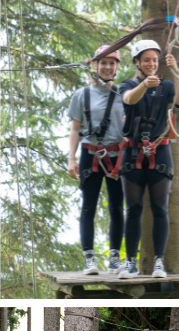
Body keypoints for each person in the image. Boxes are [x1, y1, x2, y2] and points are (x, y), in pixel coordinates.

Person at [117, 39, 179, 278]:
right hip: (132, 152)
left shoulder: (166, 85)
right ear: (137, 62)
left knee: (160, 208)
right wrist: (145, 85)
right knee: (133, 208)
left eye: (154, 60)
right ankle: (130, 263)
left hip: (160, 151)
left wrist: (176, 71)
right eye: (146, 60)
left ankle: (159, 262)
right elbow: (128, 100)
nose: (151, 64)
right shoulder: (128, 84)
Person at [67, 46, 127, 275]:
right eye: (103, 63)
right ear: (95, 65)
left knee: (117, 208)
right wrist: (71, 158)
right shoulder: (82, 94)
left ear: (117, 67)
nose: (107, 67)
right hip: (90, 155)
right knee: (88, 207)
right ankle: (89, 258)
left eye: (112, 63)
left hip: (117, 157)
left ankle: (114, 257)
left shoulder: (125, 94)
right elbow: (75, 129)